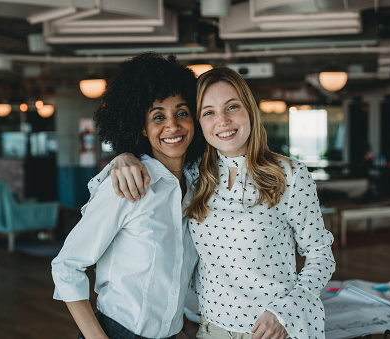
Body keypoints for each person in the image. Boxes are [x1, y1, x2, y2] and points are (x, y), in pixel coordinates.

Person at [89, 67, 336, 339]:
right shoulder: (194, 175)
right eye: (209, 112)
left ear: (250, 111)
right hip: (212, 330)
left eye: (232, 107)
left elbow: (321, 254)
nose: (223, 121)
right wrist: (123, 156)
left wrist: (285, 312)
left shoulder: (288, 174)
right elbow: (113, 185)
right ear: (199, 123)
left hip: (278, 330)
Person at [51, 52, 204, 339]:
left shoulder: (198, 185)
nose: (172, 125)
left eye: (181, 112)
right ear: (141, 126)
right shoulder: (126, 184)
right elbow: (66, 266)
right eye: (158, 116)